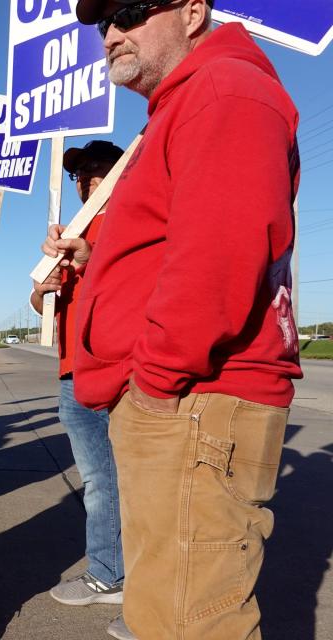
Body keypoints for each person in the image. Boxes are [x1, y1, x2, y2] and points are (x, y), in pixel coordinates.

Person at [70, 2, 301, 638]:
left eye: (130, 11)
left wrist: (153, 384)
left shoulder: (225, 89)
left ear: (194, 11)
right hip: (185, 398)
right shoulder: (189, 101)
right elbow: (182, 239)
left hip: (195, 399)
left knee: (192, 622)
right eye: (102, 24)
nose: (112, 32)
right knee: (164, 612)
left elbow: (220, 257)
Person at [31, 142, 126, 627]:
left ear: (119, 172)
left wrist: (91, 258)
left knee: (124, 482)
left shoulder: (131, 221)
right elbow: (45, 304)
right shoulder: (69, 232)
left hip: (118, 369)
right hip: (73, 371)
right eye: (77, 173)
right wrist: (41, 291)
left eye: (94, 169)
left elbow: (134, 288)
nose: (84, 179)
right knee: (98, 480)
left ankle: (121, 576)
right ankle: (110, 571)